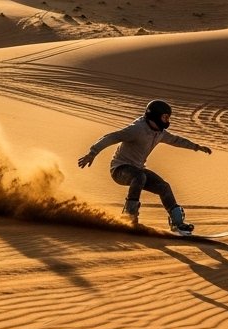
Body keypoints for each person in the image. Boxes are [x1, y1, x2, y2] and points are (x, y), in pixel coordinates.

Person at [78, 99, 212, 233]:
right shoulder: (137, 129)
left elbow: (176, 140)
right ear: (155, 116)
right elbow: (112, 137)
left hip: (137, 170)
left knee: (164, 187)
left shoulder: (160, 133)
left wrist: (196, 146)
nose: (167, 120)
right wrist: (92, 153)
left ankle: (177, 223)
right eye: (165, 117)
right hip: (120, 170)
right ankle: (129, 217)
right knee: (140, 177)